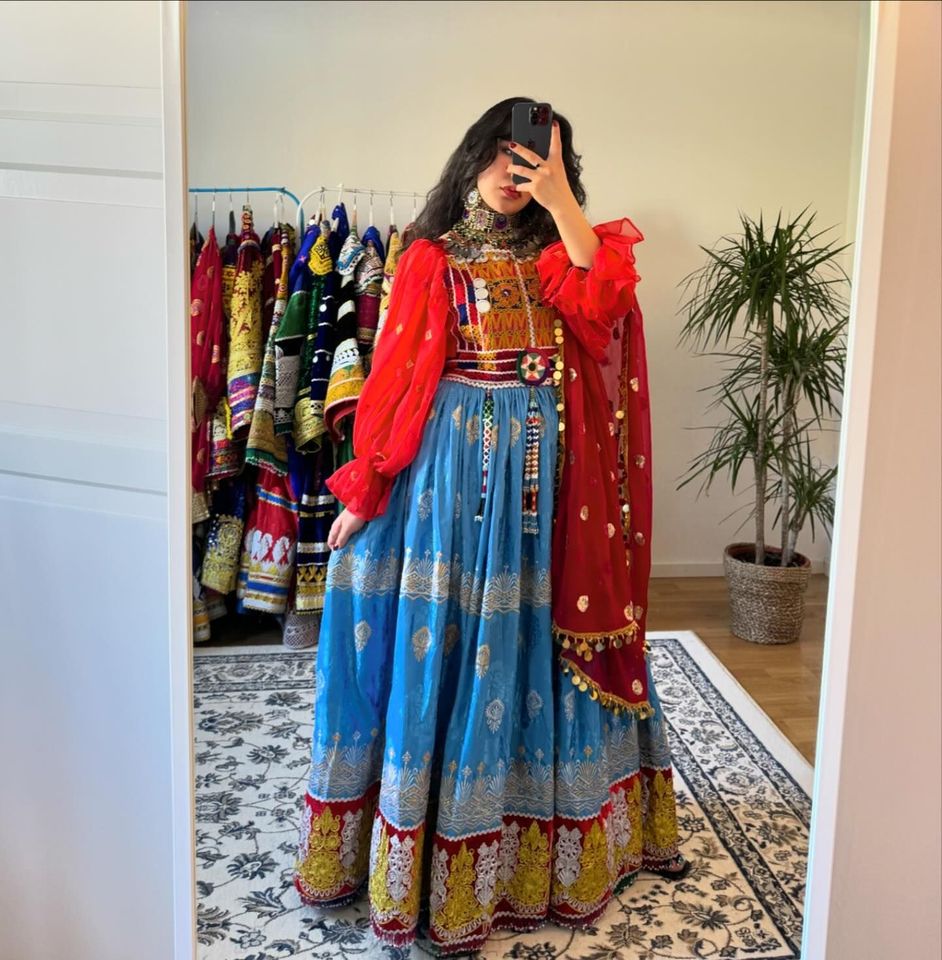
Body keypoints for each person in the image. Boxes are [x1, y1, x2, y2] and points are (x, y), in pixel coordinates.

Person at [294, 97, 691, 956]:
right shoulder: (431, 259)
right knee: (453, 639)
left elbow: (608, 303)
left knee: (539, 640)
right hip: (453, 480)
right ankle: (434, 848)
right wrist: (366, 486)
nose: (514, 177)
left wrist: (561, 202)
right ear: (474, 156)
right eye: (505, 159)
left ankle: (550, 850)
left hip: (554, 487)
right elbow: (399, 377)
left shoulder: (561, 256)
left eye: (535, 165)